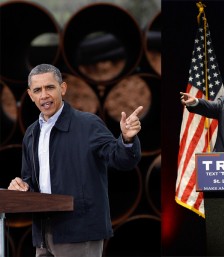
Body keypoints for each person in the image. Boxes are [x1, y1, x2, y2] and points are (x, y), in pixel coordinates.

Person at [8, 64, 143, 257]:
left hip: (80, 232)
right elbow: (30, 178)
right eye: (38, 90)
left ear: (62, 88)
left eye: (50, 87)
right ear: (30, 95)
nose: (44, 95)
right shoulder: (31, 133)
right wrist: (22, 187)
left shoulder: (88, 124)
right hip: (43, 235)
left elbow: (120, 159)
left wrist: (127, 139)